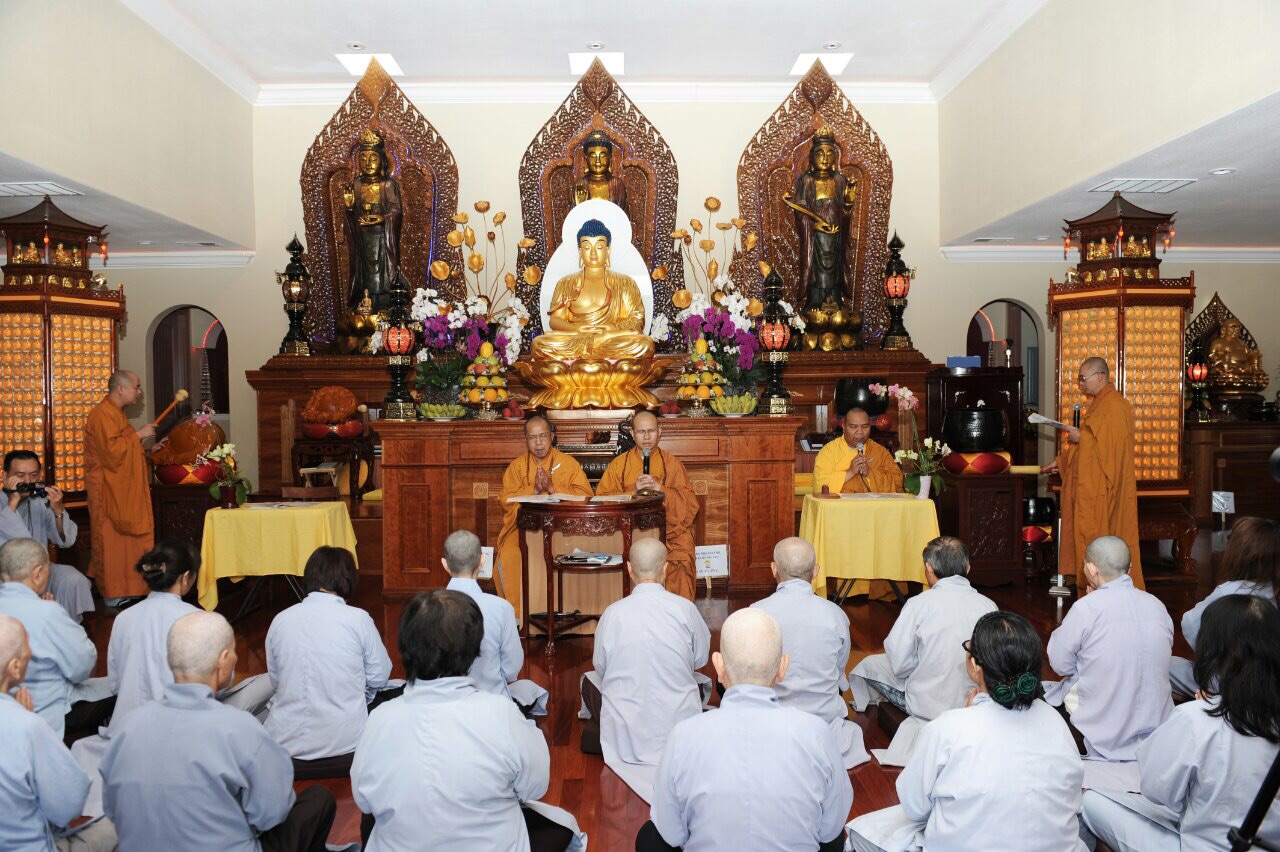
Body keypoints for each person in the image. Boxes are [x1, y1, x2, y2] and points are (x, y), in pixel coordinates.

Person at [352, 589, 585, 852]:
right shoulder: (501, 713)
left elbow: (363, 800)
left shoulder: (380, 719)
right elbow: (535, 786)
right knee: (559, 828)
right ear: (473, 651)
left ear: (405, 647)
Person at [847, 611, 1087, 852]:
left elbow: (914, 806)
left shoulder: (948, 727)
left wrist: (966, 717)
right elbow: (1072, 797)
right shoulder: (1055, 721)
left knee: (860, 831)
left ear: (975, 666)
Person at [101, 611, 336, 852]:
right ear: (223, 660)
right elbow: (271, 814)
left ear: (170, 660)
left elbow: (112, 809)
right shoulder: (239, 728)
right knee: (318, 799)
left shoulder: (127, 727)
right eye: (233, 651)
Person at [640, 608, 852, 852]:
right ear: (783, 667)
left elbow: (672, 833)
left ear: (719, 666)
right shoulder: (817, 733)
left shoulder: (683, 736)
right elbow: (830, 828)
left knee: (650, 838)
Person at [1083, 595, 1280, 851]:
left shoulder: (1198, 718)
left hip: (1201, 845)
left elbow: (1156, 789)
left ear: (1213, 650)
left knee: (1091, 801)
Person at [848, 536, 998, 766]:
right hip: (977, 701)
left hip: (928, 706)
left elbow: (899, 664)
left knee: (868, 665)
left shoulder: (919, 604)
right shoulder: (989, 605)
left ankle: (868, 708)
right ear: (968, 568)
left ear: (928, 568)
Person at [583, 538, 710, 803]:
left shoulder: (612, 613)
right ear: (665, 569)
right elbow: (699, 659)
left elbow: (601, 667)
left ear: (629, 569)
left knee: (589, 681)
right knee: (698, 681)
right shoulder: (685, 609)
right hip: (677, 729)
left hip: (626, 735)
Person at [1043, 536, 1171, 783]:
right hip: (1156, 723)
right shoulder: (1156, 605)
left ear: (1092, 569)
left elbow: (1060, 664)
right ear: (1129, 568)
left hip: (1102, 724)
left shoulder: (1087, 608)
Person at [265, 546, 394, 776]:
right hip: (347, 751)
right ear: (349, 579)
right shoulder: (358, 619)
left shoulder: (281, 620)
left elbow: (277, 682)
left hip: (283, 753)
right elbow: (379, 677)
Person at [0, 614, 117, 852]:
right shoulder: (28, 727)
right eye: (27, 651)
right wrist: (25, 719)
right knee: (121, 822)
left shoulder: (22, 723)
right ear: (14, 668)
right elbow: (68, 809)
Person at [750, 536, 870, 769]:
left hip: (772, 722)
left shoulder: (757, 613)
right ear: (816, 571)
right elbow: (838, 671)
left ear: (774, 569)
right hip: (823, 723)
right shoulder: (835, 615)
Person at [1041, 357, 1143, 589]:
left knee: (1101, 544)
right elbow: (1091, 448)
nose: (1081, 384)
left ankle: (1107, 592)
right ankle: (1089, 591)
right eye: (1079, 379)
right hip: (1090, 491)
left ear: (1100, 377)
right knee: (1087, 543)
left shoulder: (1116, 406)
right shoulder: (1098, 405)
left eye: (1083, 379)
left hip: (1105, 493)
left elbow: (1112, 452)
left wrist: (1082, 437)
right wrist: (1061, 461)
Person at [0, 538, 113, 740]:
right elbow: (82, 668)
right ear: (37, 573)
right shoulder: (47, 613)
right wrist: (56, 615)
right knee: (121, 687)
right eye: (47, 572)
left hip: (6, 711)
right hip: (48, 710)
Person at [494, 415, 594, 618]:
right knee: (509, 556)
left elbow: (586, 496)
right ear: (526, 440)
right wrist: (533, 491)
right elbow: (505, 500)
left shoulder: (568, 463)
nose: (538, 443)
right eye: (533, 438)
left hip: (563, 529)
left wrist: (552, 488)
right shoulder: (517, 467)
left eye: (543, 436)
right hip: (524, 528)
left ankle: (567, 614)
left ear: (552, 437)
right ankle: (519, 617)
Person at [596, 410, 700, 600]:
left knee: (683, 554)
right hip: (630, 530)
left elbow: (689, 505)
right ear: (632, 433)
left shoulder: (672, 464)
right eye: (641, 431)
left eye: (651, 431)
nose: (646, 437)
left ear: (659, 432)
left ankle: (676, 613)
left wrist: (660, 488)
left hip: (668, 531)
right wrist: (633, 492)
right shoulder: (619, 465)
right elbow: (602, 501)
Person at [441, 530, 547, 713]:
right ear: (482, 561)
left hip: (440, 707)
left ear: (444, 564)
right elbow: (511, 669)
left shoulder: (426, 609)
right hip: (491, 707)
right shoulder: (501, 608)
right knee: (530, 690)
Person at [1170, 516, 1277, 696]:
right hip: (1265, 681)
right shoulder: (1272, 589)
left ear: (1238, 553)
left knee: (1163, 666)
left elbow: (1190, 625)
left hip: (1227, 681)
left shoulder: (1228, 591)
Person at [529, 219, 654, 362]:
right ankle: (600, 357)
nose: (593, 253)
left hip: (610, 339)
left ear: (608, 250)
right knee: (538, 344)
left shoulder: (625, 283)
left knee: (645, 344)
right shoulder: (566, 283)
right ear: (580, 251)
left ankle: (587, 357)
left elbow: (637, 320)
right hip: (576, 340)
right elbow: (555, 320)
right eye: (587, 247)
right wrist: (577, 329)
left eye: (599, 247)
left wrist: (611, 329)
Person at [84, 369, 156, 603]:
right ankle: (113, 592)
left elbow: (123, 449)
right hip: (107, 490)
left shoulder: (116, 413)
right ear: (121, 389)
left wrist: (144, 447)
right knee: (112, 541)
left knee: (130, 542)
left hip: (121, 488)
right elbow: (112, 452)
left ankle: (131, 588)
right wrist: (138, 436)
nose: (139, 392)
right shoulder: (102, 414)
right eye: (137, 387)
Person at [1, 450, 93, 622]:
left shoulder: (39, 501)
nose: (28, 481)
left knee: (72, 579)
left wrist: (58, 509)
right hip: (6, 577)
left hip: (40, 571)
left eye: (33, 475)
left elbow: (65, 541)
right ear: (6, 476)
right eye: (20, 475)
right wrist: (12, 502)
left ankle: (66, 629)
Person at [784, 125, 858, 309]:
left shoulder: (839, 180)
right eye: (820, 153)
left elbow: (845, 213)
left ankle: (835, 300)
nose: (825, 158)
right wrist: (814, 226)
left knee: (835, 270)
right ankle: (815, 301)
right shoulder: (807, 180)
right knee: (816, 271)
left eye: (829, 153)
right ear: (812, 157)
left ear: (835, 158)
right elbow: (800, 213)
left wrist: (849, 201)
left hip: (835, 237)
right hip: (815, 238)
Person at [342, 127, 402, 313]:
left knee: (382, 275)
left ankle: (383, 304)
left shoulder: (388, 185)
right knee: (364, 275)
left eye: (373, 158)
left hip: (383, 239)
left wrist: (381, 219)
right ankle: (365, 303)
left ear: (382, 161)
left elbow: (396, 211)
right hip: (362, 239)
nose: (367, 163)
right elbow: (351, 217)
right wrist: (349, 207)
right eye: (363, 159)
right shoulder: (355, 185)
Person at [812, 407, 904, 495]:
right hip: (841, 505)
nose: (860, 432)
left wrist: (870, 473)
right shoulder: (829, 451)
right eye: (853, 427)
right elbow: (820, 486)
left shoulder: (880, 451)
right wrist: (851, 472)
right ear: (844, 427)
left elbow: (898, 482)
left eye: (865, 426)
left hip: (872, 505)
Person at [572, 129, 629, 211]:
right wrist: (580, 205)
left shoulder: (617, 185)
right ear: (586, 159)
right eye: (593, 156)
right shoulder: (580, 185)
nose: (598, 161)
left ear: (610, 158)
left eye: (602, 156)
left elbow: (623, 216)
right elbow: (573, 217)